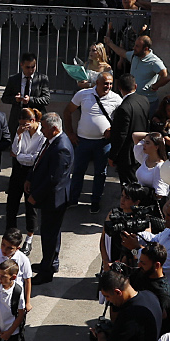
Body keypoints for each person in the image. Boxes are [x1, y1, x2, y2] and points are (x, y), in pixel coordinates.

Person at [27, 113, 74, 284]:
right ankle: (50, 262)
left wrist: (35, 196)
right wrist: (30, 179)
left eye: (44, 128)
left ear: (54, 129)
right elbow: (39, 161)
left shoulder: (62, 148)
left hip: (54, 200)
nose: (41, 131)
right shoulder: (52, 141)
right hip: (49, 197)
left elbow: (54, 179)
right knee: (51, 233)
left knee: (49, 235)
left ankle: (46, 272)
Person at [66, 68, 120, 209]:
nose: (108, 86)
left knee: (100, 173)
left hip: (103, 143)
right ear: (97, 83)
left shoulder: (116, 99)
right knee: (78, 171)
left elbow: (123, 119)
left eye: (110, 84)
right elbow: (67, 111)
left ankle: (95, 201)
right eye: (105, 83)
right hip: (82, 141)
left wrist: (112, 130)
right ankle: (73, 199)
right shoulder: (83, 94)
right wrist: (70, 133)